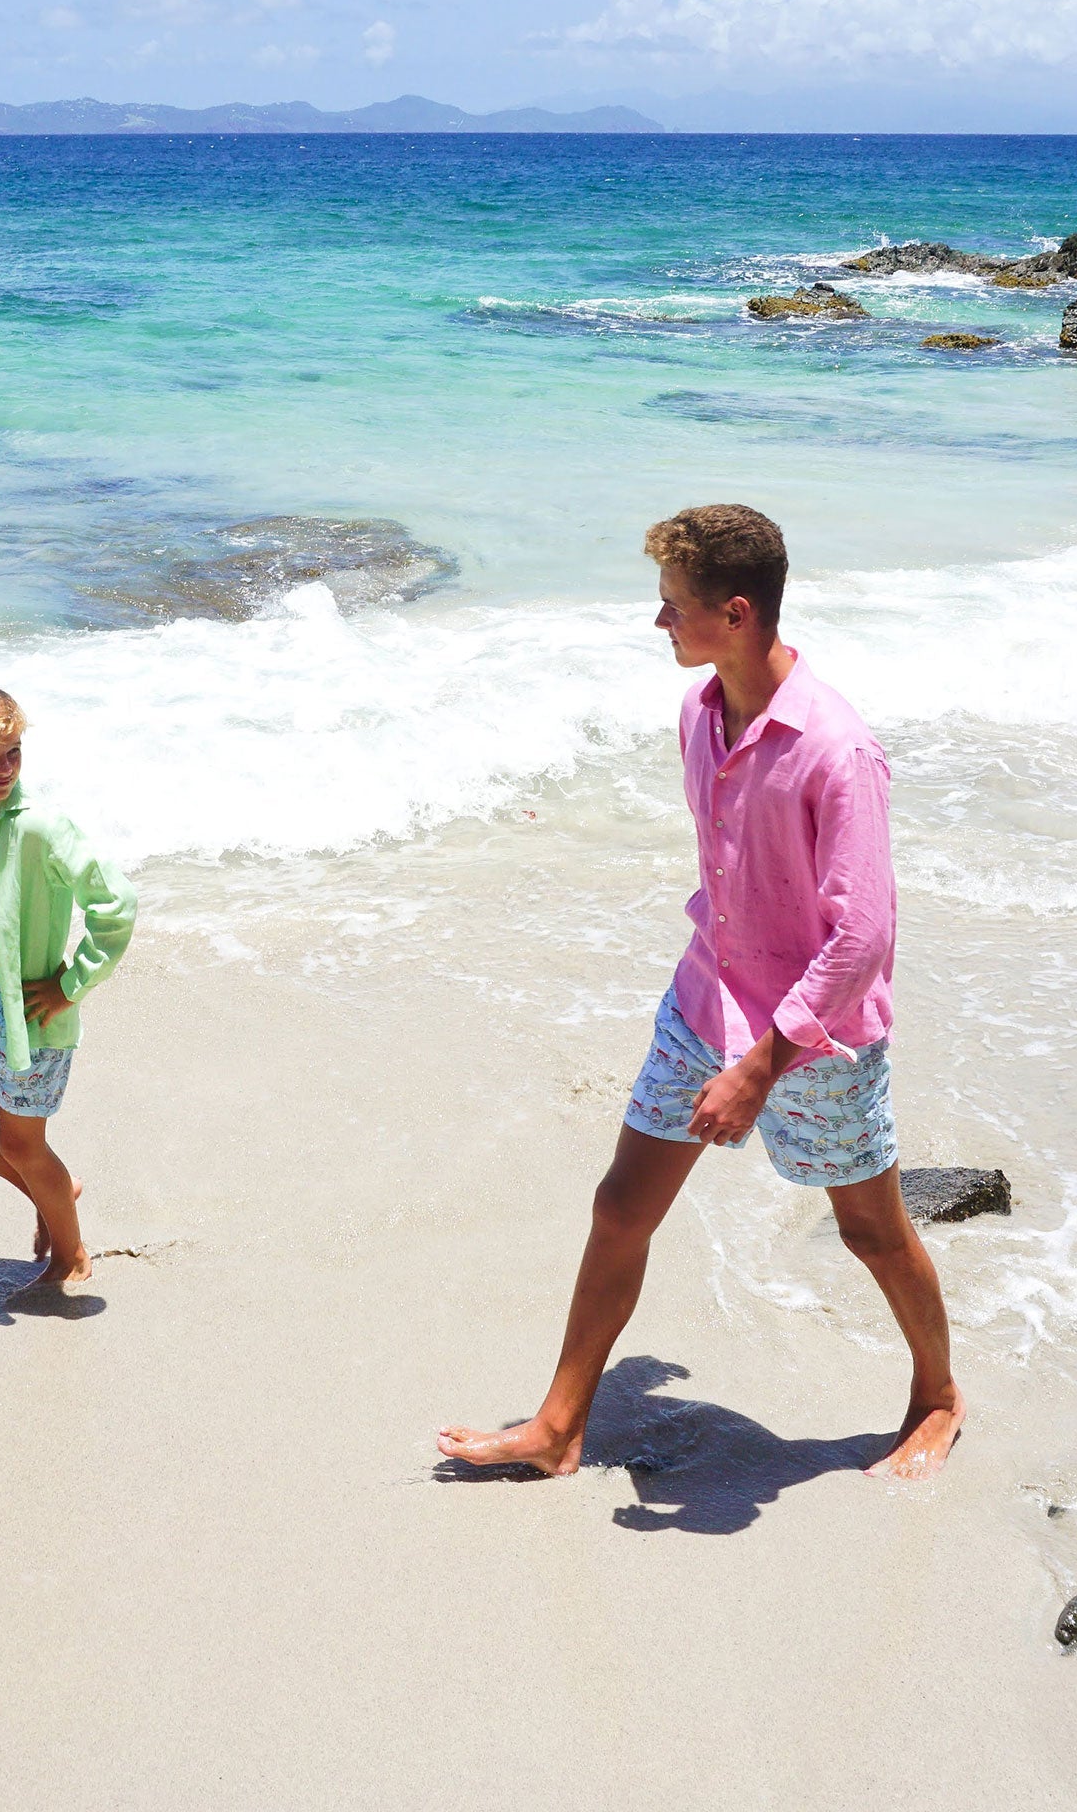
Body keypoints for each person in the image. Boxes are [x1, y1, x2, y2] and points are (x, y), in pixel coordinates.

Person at [438, 504, 964, 1480]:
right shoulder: (696, 712)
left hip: (813, 1036)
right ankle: (556, 1427)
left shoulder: (835, 750)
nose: (657, 622)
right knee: (619, 1205)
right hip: (702, 999)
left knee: (871, 1232)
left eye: (671, 606)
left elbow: (864, 937)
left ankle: (936, 1393)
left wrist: (764, 1062)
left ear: (733, 611)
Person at [0, 681, 136, 1292]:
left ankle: (71, 1255)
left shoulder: (41, 828)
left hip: (30, 1010)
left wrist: (73, 983)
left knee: (21, 1142)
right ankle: (53, 1188)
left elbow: (116, 903)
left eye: (13, 752)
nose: (4, 768)